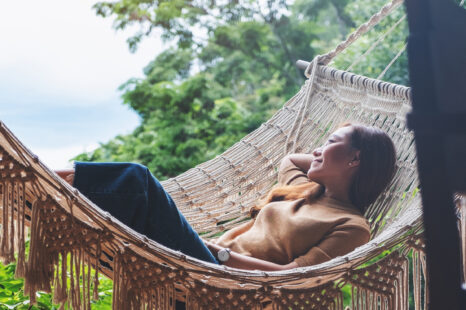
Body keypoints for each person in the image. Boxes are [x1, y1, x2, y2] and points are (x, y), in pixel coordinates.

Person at [56, 123, 396, 271]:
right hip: (204, 257)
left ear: (355, 160)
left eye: (331, 141)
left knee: (138, 180)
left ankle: (38, 175)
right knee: (132, 208)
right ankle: (41, 189)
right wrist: (330, 157)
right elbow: (290, 159)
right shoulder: (304, 186)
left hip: (225, 280)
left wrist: (220, 256)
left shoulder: (352, 227)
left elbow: (293, 276)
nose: (317, 149)